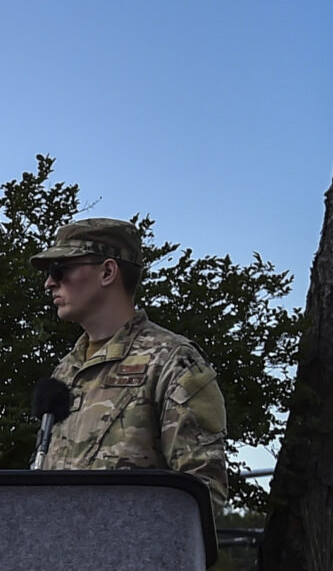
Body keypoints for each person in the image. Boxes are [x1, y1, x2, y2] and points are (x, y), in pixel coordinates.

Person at [33, 217, 234, 514]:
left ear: (108, 271)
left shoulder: (171, 361)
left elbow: (203, 494)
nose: (50, 282)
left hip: (133, 559)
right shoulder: (66, 371)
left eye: (60, 269)